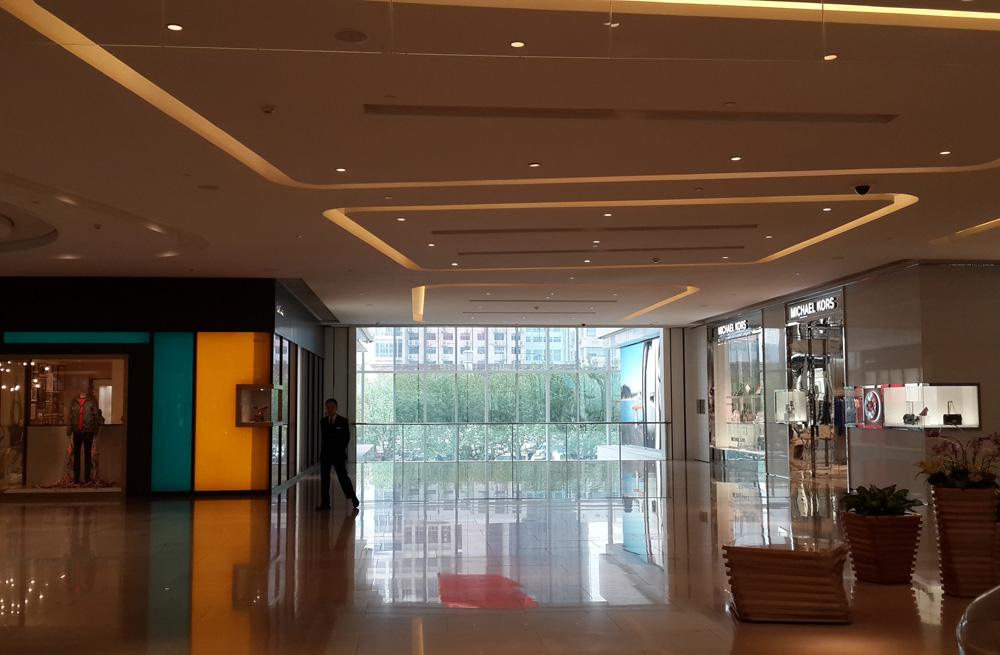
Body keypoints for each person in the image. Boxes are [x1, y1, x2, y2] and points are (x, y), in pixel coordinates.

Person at [317, 398, 359, 511]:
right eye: (327, 407)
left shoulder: (343, 421)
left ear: (336, 408)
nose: (330, 410)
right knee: (325, 479)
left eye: (332, 407)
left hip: (338, 454)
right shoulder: (323, 421)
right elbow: (325, 438)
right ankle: (325, 503)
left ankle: (352, 497)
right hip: (326, 455)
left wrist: (339, 449)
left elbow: (346, 438)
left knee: (343, 477)